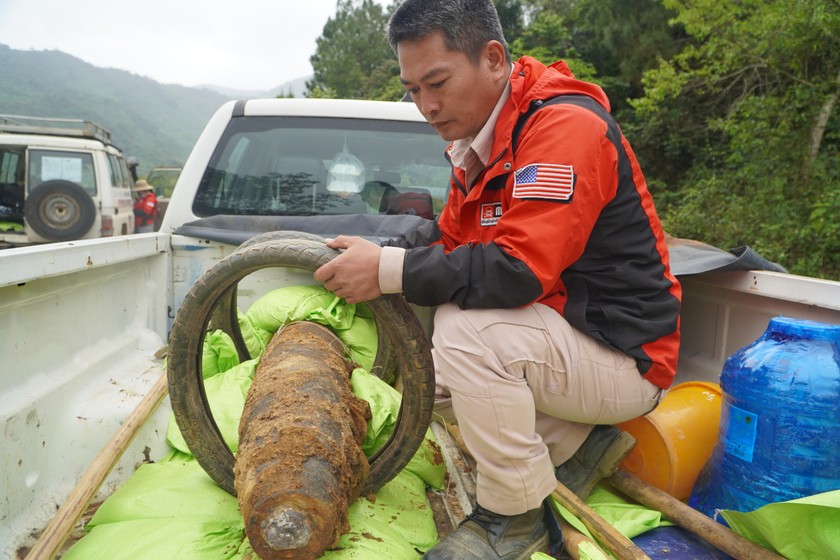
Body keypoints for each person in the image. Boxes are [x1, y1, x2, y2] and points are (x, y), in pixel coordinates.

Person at [313, 1, 682, 558]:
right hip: (561, 344)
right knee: (422, 379)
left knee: (467, 330)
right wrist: (379, 253)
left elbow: (516, 271)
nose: (427, 107)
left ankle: (514, 516)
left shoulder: (565, 127)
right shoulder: (480, 145)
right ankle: (577, 443)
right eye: (412, 90)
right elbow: (452, 248)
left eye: (437, 83)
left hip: (626, 357)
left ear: (492, 58)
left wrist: (387, 271)